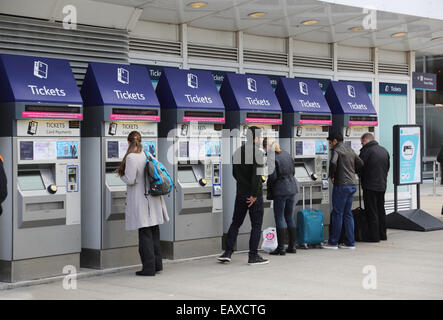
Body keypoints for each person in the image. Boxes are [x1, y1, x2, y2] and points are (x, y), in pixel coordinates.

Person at [117, 131, 169, 276]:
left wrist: (120, 175)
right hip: (154, 199)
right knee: (154, 233)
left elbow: (130, 179)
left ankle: (148, 268)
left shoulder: (131, 157)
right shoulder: (147, 154)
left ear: (128, 142)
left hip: (142, 201)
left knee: (145, 234)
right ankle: (157, 265)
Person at [218, 126, 269, 265]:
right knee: (256, 225)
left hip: (240, 193)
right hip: (254, 195)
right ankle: (253, 256)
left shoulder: (237, 152)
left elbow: (235, 174)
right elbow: (257, 177)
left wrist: (243, 186)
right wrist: (253, 195)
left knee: (236, 222)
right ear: (256, 138)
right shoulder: (258, 153)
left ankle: (228, 252)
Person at [323, 132, 363, 250]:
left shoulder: (336, 150)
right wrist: (352, 172)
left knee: (337, 214)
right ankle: (350, 243)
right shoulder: (350, 150)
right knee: (348, 214)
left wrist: (332, 176)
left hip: (341, 186)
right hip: (351, 184)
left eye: (330, 142)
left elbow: (333, 163)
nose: (329, 145)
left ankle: (333, 242)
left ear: (335, 141)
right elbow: (361, 163)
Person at [263, 138, 298, 255]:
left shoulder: (272, 158)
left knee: (279, 217)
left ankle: (281, 248)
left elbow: (272, 177)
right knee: (289, 217)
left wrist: (269, 189)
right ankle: (292, 246)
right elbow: (293, 172)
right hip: (292, 188)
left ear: (267, 147)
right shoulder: (287, 154)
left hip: (281, 190)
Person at [359, 132, 390, 242]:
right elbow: (387, 168)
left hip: (370, 186)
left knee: (371, 211)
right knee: (381, 210)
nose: (361, 145)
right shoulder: (384, 150)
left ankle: (374, 237)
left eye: (362, 143)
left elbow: (359, 167)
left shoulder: (366, 151)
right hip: (382, 185)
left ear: (366, 141)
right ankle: (383, 234)